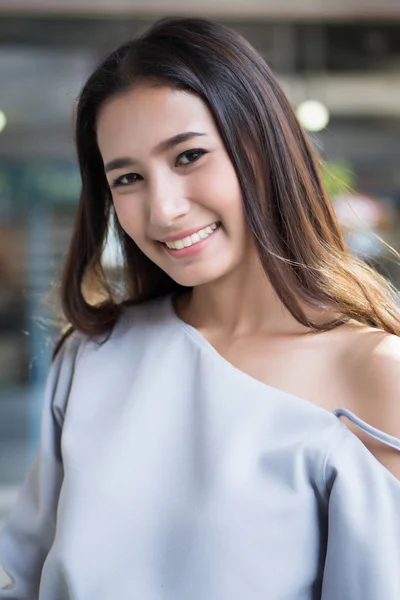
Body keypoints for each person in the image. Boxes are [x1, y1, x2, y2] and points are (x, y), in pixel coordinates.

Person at [1, 16, 400, 600]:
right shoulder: (93, 356)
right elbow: (26, 571)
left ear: (263, 150)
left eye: (188, 157)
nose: (163, 209)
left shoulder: (374, 375)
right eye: (129, 177)